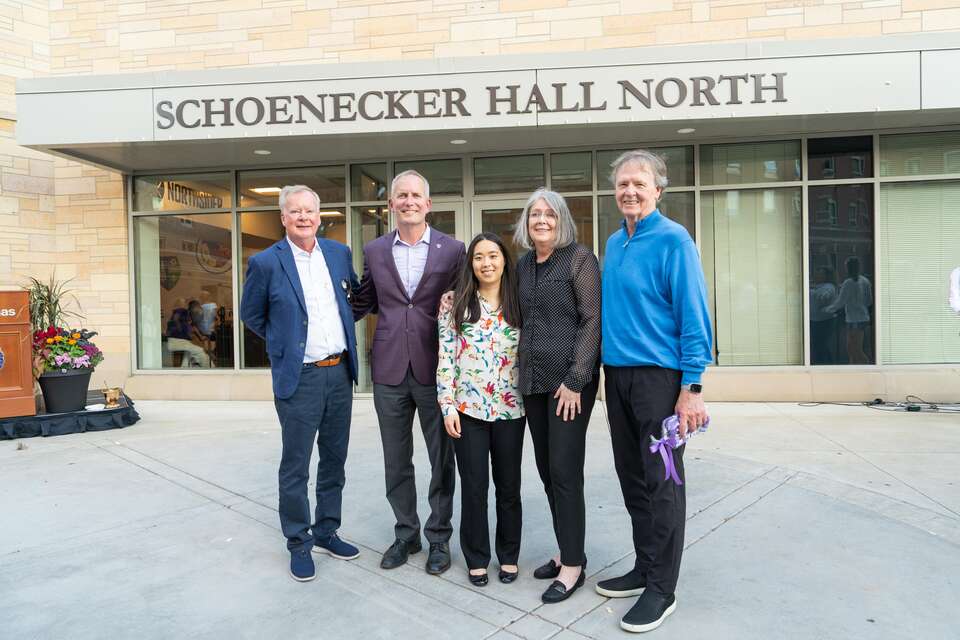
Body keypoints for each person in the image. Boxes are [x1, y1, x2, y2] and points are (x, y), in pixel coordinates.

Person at [598, 150, 712, 633]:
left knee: (662, 484)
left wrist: (692, 387)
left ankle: (662, 588)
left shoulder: (674, 240)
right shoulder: (614, 242)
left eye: (639, 184)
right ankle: (645, 566)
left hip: (659, 381)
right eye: (623, 184)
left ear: (658, 191)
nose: (629, 191)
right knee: (633, 479)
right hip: (618, 378)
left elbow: (694, 315)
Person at [240, 185, 361, 582]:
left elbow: (354, 300)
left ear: (320, 215)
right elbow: (252, 314)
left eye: (310, 210)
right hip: (301, 376)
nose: (304, 217)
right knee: (296, 466)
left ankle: (327, 531)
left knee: (334, 460)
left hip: (340, 373)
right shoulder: (265, 263)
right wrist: (284, 343)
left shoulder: (339, 254)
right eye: (295, 212)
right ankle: (298, 541)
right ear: (283, 218)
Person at [353, 169, 466, 575]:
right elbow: (364, 299)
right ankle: (406, 533)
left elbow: (465, 307)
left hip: (436, 369)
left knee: (442, 460)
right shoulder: (376, 250)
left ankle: (439, 538)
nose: (409, 201)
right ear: (391, 205)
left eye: (416, 195)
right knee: (396, 460)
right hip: (388, 370)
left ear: (428, 204)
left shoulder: (454, 250)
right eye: (401, 195)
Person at [515, 188, 601, 604]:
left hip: (569, 385)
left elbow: (591, 320)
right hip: (533, 383)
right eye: (535, 215)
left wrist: (577, 377)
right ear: (527, 223)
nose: (542, 220)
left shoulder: (580, 259)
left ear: (561, 219)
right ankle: (568, 549)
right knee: (549, 472)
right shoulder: (524, 264)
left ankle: (573, 567)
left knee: (565, 473)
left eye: (550, 214)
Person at [438, 232, 524, 587]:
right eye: (478, 257)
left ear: (504, 259)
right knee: (474, 487)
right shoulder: (454, 303)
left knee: (508, 487)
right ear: (470, 264)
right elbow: (445, 356)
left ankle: (508, 556)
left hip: (511, 410)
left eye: (493, 256)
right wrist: (447, 405)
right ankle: (476, 556)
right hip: (468, 409)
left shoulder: (521, 301)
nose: (486, 263)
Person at [825, 255, 873, 364]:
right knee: (852, 348)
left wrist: (827, 310)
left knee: (854, 349)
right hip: (862, 317)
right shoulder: (865, 281)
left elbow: (840, 302)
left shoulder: (848, 283)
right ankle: (854, 367)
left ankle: (868, 367)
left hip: (854, 319)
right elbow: (869, 301)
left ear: (848, 268)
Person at [165, 298, 210, 368]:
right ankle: (207, 369)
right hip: (178, 341)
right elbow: (176, 320)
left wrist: (200, 336)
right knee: (199, 351)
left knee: (189, 352)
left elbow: (192, 328)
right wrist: (181, 328)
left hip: (181, 341)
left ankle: (184, 367)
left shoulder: (186, 315)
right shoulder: (180, 311)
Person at [810, 266, 839, 365]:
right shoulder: (817, 286)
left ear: (826, 276)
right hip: (816, 320)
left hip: (824, 322)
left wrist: (809, 291)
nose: (817, 275)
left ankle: (826, 365)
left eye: (820, 274)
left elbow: (822, 297)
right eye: (817, 273)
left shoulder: (829, 287)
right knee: (817, 346)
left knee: (821, 346)